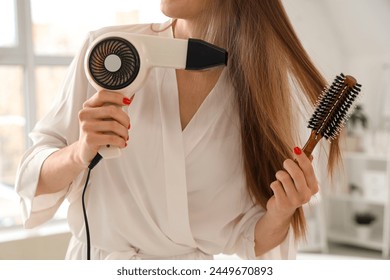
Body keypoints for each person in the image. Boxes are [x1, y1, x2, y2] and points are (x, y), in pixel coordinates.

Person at [15, 0, 337, 260]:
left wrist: (282, 211)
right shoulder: (109, 52)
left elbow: (251, 239)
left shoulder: (258, 91)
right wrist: (79, 151)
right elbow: (33, 179)